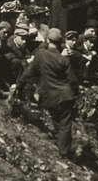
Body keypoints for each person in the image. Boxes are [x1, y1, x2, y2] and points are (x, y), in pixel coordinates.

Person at [16, 27, 79, 159]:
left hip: (49, 95)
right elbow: (72, 80)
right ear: (60, 42)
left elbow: (28, 72)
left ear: (48, 40)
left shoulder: (40, 54)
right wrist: (76, 93)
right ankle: (64, 152)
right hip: (65, 94)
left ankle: (63, 149)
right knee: (65, 124)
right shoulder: (64, 59)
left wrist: (19, 87)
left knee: (57, 119)